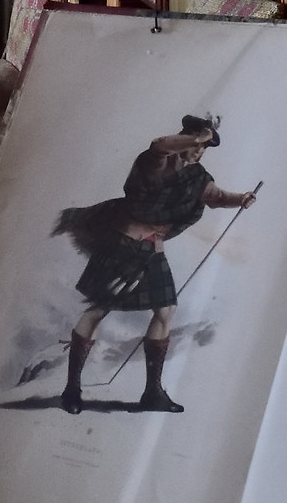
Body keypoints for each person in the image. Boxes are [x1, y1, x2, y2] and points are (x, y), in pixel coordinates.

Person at [49, 115, 257, 413]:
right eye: (196, 142)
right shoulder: (156, 162)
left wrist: (241, 198)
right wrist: (197, 137)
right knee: (97, 309)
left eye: (204, 147)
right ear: (184, 136)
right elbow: (158, 145)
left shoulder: (198, 177)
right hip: (121, 244)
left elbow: (214, 196)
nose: (199, 151)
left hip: (152, 250)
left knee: (166, 310)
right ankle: (71, 390)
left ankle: (153, 393)